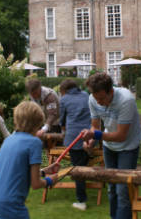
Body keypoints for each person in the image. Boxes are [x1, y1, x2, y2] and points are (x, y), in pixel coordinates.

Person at [81, 72, 141, 219]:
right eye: (96, 98)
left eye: (102, 98)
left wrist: (96, 135)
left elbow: (121, 136)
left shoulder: (126, 100)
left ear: (111, 91)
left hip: (128, 147)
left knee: (123, 191)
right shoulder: (93, 99)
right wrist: (90, 141)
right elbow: (95, 127)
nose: (99, 102)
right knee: (111, 189)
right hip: (109, 147)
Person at [0, 101, 60, 219]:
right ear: (38, 122)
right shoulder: (34, 142)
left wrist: (45, 171)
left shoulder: (8, 140)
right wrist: (50, 181)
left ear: (16, 119)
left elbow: (17, 171)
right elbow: (35, 184)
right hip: (11, 203)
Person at [59, 79, 91, 211]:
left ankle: (81, 200)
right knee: (84, 165)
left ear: (64, 90)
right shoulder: (86, 95)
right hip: (90, 137)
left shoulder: (65, 99)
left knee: (78, 170)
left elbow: (62, 120)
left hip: (74, 138)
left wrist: (63, 131)